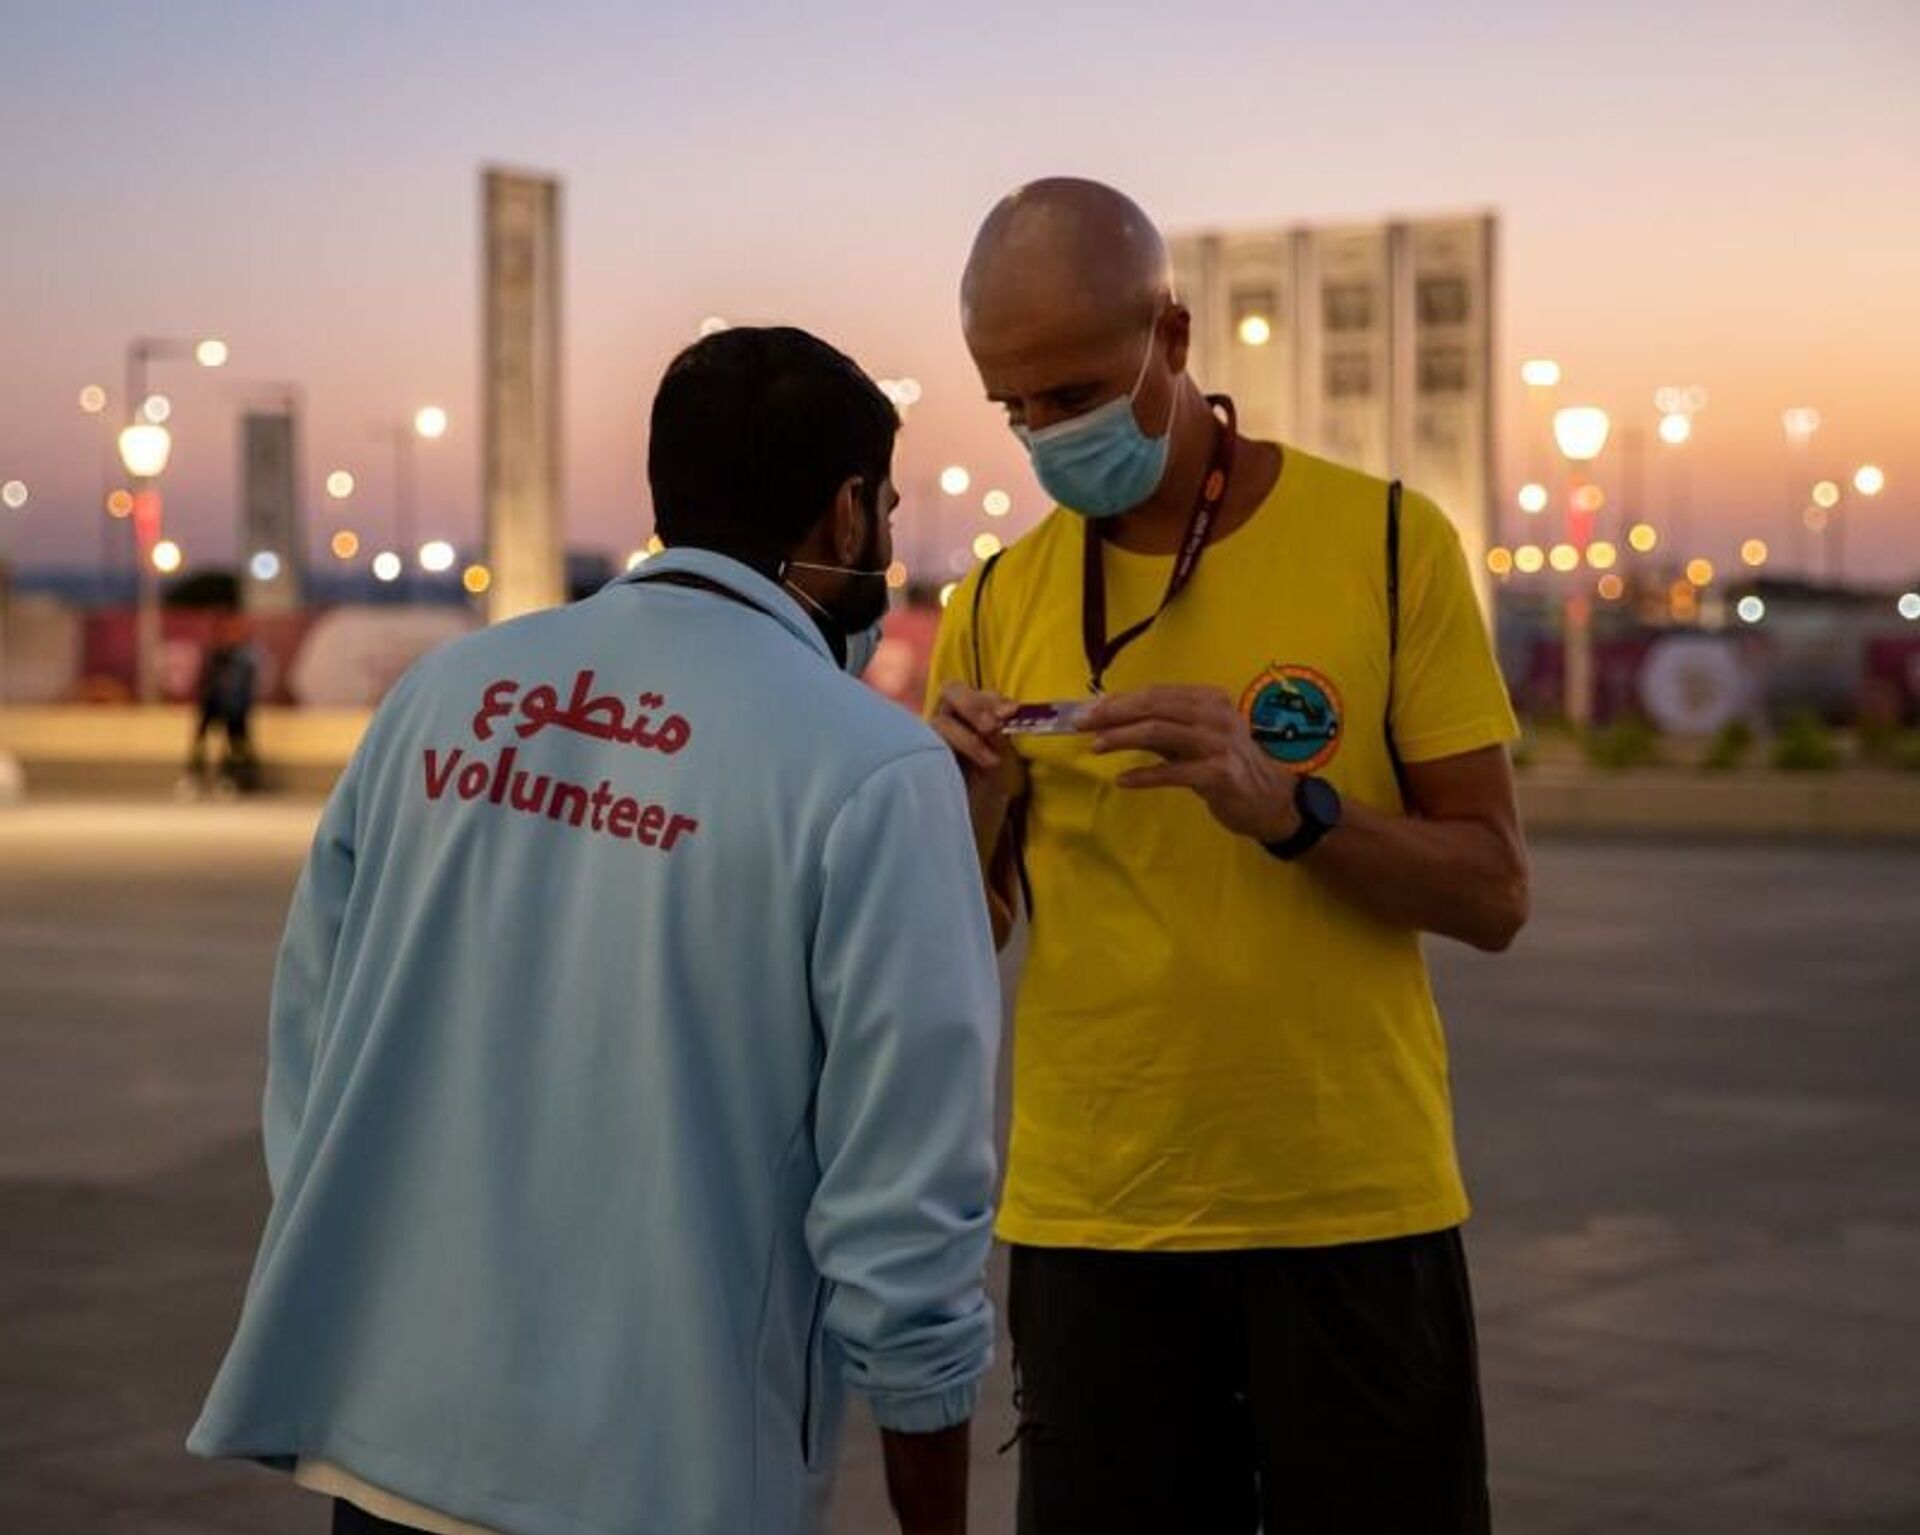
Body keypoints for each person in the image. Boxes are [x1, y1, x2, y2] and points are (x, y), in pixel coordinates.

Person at [191, 326, 1002, 1535]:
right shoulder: (872, 765)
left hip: (391, 1447)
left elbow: (313, 1043)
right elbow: (905, 1208)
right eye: (883, 506)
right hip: (667, 1475)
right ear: (847, 517)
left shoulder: (444, 697)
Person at [927, 178, 1530, 1534]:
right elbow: (969, 936)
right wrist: (966, 814)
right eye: (1015, 407)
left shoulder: (1385, 542)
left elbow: (1494, 890)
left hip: (1349, 1209)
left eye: (1076, 390)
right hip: (1094, 1221)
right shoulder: (996, 598)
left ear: (1175, 333)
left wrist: (1293, 811)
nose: (1046, 432)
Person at [186, 612, 260, 795]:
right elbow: (205, 682)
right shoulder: (216, 656)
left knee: (236, 746)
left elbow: (245, 686)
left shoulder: (244, 658)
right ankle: (196, 777)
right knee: (201, 742)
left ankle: (236, 779)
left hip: (235, 710)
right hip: (213, 706)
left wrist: (240, 707)